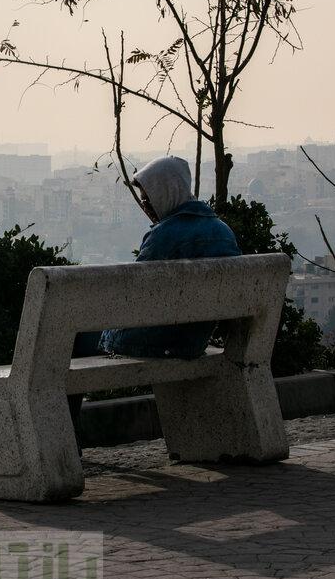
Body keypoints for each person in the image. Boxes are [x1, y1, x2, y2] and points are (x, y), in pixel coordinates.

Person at [68, 155, 242, 444]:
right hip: (194, 340)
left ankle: (68, 436)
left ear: (167, 191)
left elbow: (134, 297)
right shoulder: (222, 231)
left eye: (149, 199)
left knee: (73, 337)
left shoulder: (165, 235)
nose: (147, 208)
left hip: (158, 342)